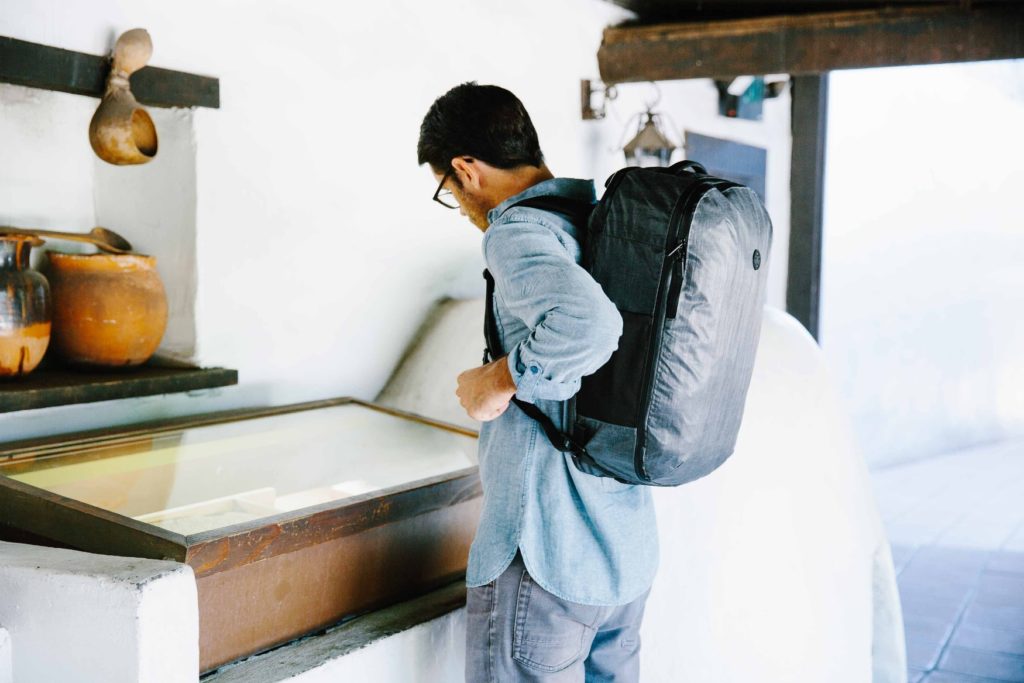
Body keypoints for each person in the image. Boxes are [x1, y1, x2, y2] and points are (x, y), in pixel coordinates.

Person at [417, 82, 658, 683]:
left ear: (466, 169)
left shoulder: (518, 232)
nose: (460, 202)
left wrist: (495, 380)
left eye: (448, 189)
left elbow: (590, 325)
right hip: (620, 552)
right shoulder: (596, 221)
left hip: (546, 554)